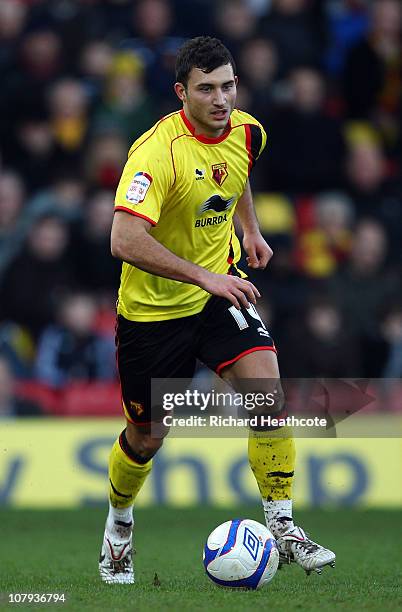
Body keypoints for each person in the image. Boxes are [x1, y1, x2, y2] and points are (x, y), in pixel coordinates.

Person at [99, 36, 335, 584]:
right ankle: (119, 523)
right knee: (146, 436)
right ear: (182, 92)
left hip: (217, 296)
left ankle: (282, 526)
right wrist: (204, 274)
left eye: (228, 85)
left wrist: (249, 229)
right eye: (207, 89)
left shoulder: (248, 130)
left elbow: (237, 171)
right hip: (154, 314)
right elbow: (123, 238)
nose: (221, 99)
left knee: (266, 396)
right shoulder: (156, 153)